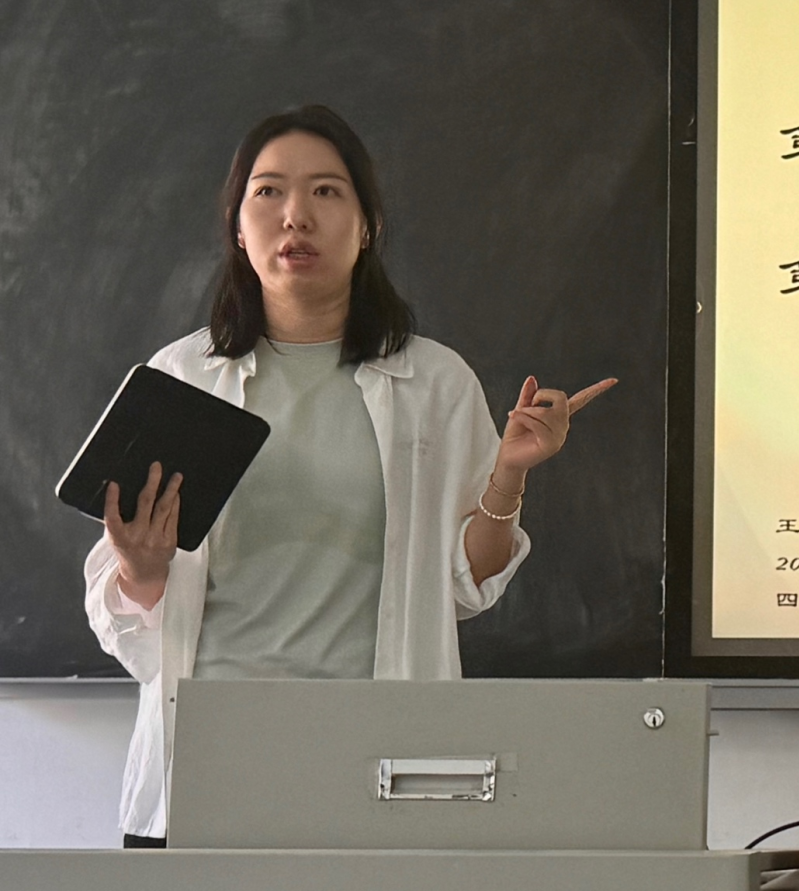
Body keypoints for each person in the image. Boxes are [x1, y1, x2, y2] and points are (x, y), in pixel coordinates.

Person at [81, 105, 613, 847]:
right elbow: (127, 614)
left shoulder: (435, 382)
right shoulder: (182, 377)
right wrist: (142, 569)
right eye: (268, 192)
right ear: (238, 227)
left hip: (378, 761)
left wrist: (509, 477)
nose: (295, 215)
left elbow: (467, 584)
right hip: (209, 763)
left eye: (326, 191)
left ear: (368, 227)